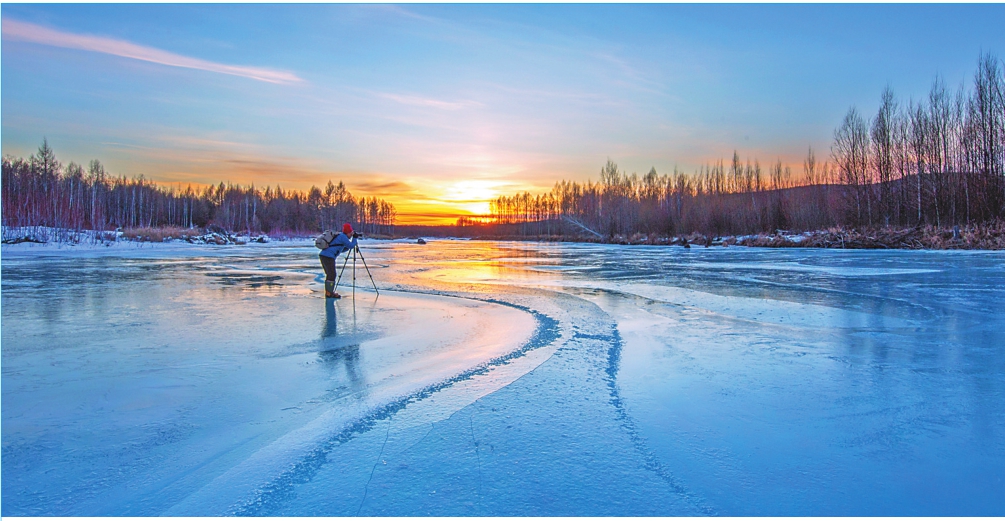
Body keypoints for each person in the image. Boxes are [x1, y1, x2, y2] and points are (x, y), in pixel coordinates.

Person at [319, 223, 358, 298]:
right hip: (328, 257)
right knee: (332, 275)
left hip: (324, 255)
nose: (351, 235)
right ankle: (329, 293)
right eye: (351, 233)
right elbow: (351, 246)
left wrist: (347, 246)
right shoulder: (343, 237)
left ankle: (329, 292)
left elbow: (341, 249)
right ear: (348, 232)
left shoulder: (341, 236)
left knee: (330, 274)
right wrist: (355, 238)